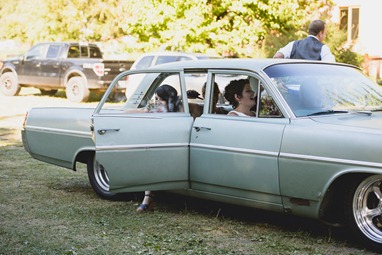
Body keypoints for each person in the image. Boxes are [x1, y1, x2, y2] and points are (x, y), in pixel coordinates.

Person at [136, 84, 181, 213]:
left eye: (160, 99)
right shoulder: (157, 106)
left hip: (173, 146)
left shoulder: (179, 108)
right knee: (149, 159)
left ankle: (148, 199)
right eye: (156, 98)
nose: (157, 101)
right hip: (159, 143)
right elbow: (141, 112)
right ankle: (148, 198)